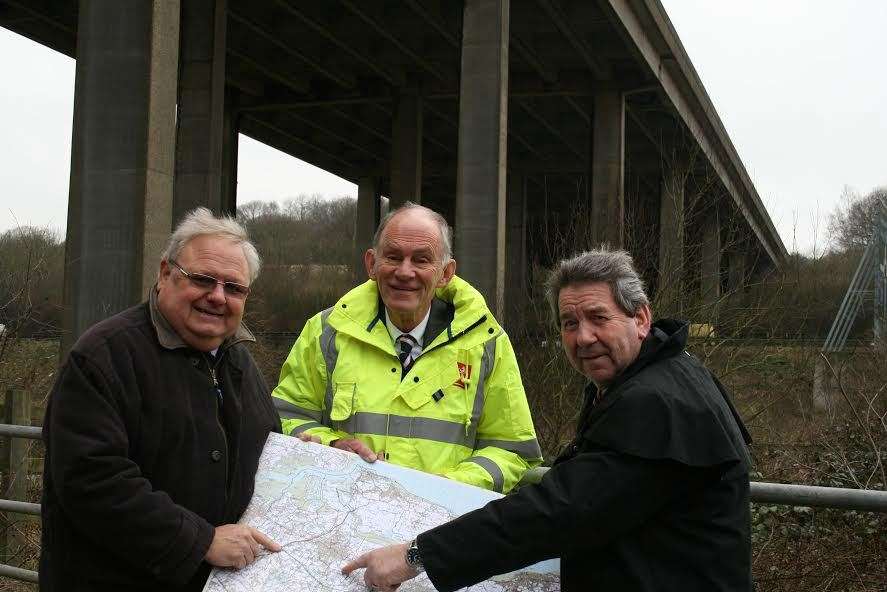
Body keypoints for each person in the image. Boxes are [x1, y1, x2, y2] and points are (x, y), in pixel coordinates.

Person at [343, 248, 753, 592]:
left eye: (599, 318)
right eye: (569, 324)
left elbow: (557, 512)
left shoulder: (653, 403)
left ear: (641, 318)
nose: (583, 337)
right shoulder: (661, 369)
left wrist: (418, 555)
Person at [40, 208, 283, 592]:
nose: (217, 296)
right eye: (203, 279)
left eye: (233, 288)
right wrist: (200, 541)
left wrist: (312, 457)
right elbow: (92, 480)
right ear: (165, 273)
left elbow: (266, 448)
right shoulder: (104, 357)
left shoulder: (239, 361)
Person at [272, 203, 541, 493]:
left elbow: (512, 450)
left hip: (442, 528)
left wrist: (451, 487)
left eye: (422, 260)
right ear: (371, 264)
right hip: (342, 523)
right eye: (393, 256)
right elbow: (284, 417)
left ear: (446, 273)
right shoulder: (325, 332)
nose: (404, 271)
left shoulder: (486, 343)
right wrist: (331, 445)